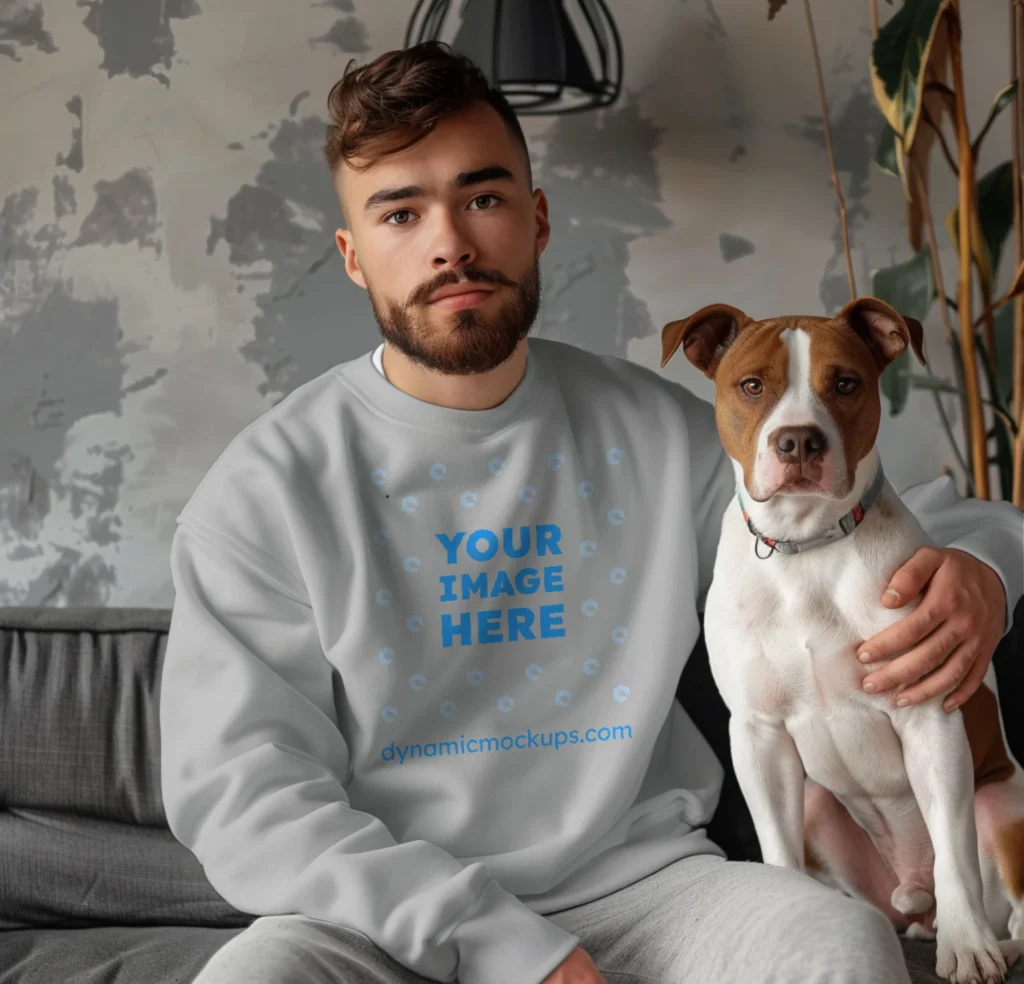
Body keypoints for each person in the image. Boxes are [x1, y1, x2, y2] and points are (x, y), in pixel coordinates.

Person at [160, 41, 1024, 984]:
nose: (449, 242)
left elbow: (885, 515)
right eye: (400, 212)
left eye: (482, 197)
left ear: (535, 221)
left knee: (839, 948)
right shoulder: (263, 491)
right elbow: (245, 797)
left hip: (651, 893)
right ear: (354, 257)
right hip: (376, 920)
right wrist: (498, 944)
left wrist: (981, 575)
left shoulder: (658, 433)